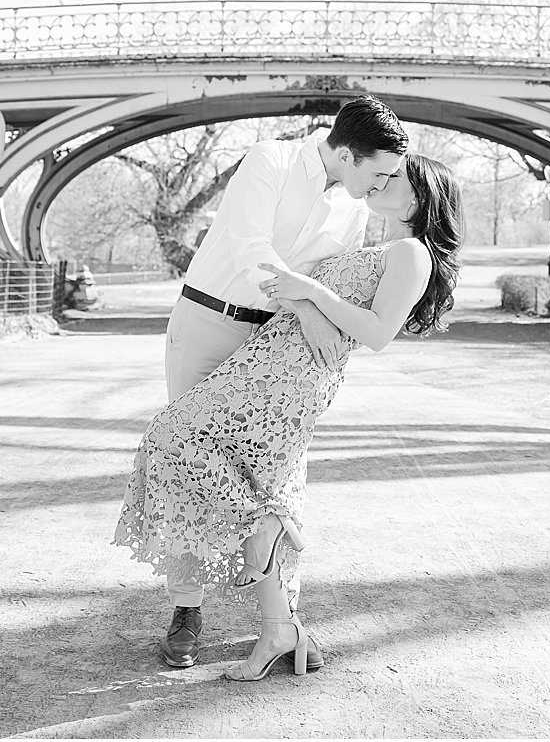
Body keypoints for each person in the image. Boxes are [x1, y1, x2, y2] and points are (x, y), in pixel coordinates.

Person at [114, 154, 464, 681]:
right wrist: (304, 298)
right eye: (381, 172)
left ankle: (266, 532)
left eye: (392, 179)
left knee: (173, 435)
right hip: (270, 357)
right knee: (190, 445)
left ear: (416, 197)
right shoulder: (379, 240)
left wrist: (310, 291)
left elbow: (377, 333)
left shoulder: (413, 252)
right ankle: (279, 613)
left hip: (292, 374)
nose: (379, 182)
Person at [142, 94, 409, 672]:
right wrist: (310, 309)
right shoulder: (271, 161)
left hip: (277, 346)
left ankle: (280, 621)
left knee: (275, 478)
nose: (384, 184)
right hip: (210, 321)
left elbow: (331, 281)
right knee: (191, 462)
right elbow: (249, 250)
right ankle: (186, 609)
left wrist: (319, 319)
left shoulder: (355, 206)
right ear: (344, 152)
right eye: (379, 171)